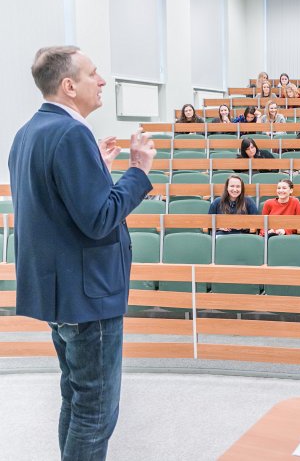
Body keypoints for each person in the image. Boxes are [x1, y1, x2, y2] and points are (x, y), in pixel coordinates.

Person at [9, 46, 155, 459]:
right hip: (88, 296)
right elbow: (99, 218)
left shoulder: (27, 132)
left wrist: (98, 168)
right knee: (95, 411)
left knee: (75, 399)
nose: (103, 80)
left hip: (60, 293)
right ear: (69, 85)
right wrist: (138, 170)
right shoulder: (72, 134)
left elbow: (60, 207)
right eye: (94, 74)